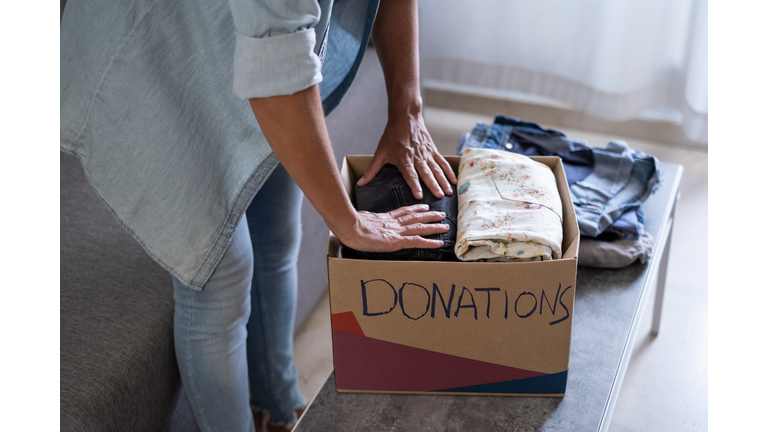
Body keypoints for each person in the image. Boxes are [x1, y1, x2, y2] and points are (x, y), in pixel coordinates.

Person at [60, 0, 455, 430]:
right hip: (151, 56)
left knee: (278, 231)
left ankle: (277, 411)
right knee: (220, 273)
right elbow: (278, 75)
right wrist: (351, 223)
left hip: (240, 39)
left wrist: (408, 110)